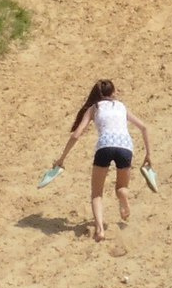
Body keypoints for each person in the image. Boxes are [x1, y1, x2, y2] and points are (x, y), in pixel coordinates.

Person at [47, 79, 154, 243]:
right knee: (122, 187)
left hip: (104, 146)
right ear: (113, 92)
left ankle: (100, 230)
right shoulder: (121, 106)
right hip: (125, 146)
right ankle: (123, 196)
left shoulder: (94, 108)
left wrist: (61, 159)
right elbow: (144, 127)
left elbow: (76, 135)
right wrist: (149, 154)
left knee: (97, 194)